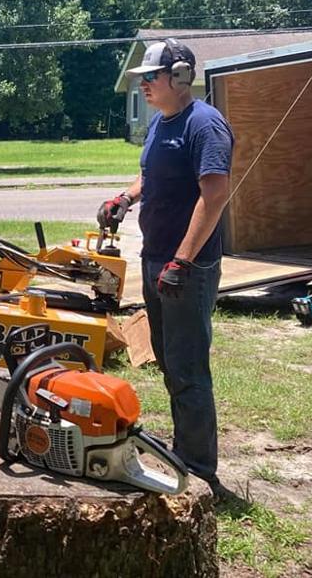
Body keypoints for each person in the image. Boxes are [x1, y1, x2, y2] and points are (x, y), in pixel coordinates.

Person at [99, 38, 234, 493]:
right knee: (170, 363)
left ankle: (198, 470)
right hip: (158, 260)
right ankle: (183, 451)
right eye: (142, 81)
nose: (144, 88)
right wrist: (125, 197)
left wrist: (182, 260)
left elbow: (214, 197)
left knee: (188, 368)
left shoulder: (205, 126)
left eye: (150, 79)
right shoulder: (160, 125)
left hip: (186, 269)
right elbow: (150, 174)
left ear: (179, 77)